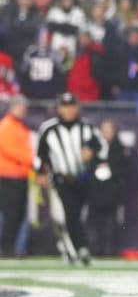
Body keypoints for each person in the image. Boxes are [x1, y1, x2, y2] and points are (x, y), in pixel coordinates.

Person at [35, 92, 102, 265]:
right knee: (70, 214)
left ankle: (68, 247)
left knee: (77, 215)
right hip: (61, 179)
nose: (69, 110)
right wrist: (40, 172)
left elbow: (101, 148)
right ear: (59, 108)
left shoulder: (88, 127)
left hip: (84, 178)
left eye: (72, 106)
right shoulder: (49, 128)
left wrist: (92, 154)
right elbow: (40, 154)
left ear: (77, 107)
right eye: (65, 106)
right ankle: (81, 248)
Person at [86, 118, 129, 257]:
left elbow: (125, 169)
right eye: (104, 131)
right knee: (93, 222)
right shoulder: (94, 147)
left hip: (112, 192)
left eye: (109, 130)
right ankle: (94, 249)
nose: (107, 134)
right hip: (95, 191)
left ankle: (109, 250)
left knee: (110, 223)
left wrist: (111, 169)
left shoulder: (119, 148)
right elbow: (86, 167)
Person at [0, 95, 33, 257]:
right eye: (19, 107)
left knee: (18, 214)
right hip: (8, 176)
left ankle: (12, 247)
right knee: (10, 214)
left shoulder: (21, 127)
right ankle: (6, 248)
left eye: (24, 107)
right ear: (12, 107)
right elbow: (10, 150)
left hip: (20, 176)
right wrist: (33, 160)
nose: (22, 110)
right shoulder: (6, 126)